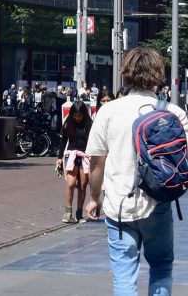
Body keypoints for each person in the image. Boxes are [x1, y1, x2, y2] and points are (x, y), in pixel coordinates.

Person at [85, 46, 188, 295]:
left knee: (124, 274)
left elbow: (96, 162)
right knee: (162, 267)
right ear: (158, 74)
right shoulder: (174, 113)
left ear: (126, 74)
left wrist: (94, 198)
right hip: (158, 202)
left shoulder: (108, 111)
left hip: (118, 204)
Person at [56, 99, 93, 223]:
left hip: (85, 156)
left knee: (82, 185)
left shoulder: (89, 124)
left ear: (84, 114)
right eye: (75, 116)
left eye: (80, 116)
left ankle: (79, 213)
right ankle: (68, 211)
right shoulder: (68, 123)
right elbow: (63, 141)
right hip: (72, 155)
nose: (77, 118)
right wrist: (59, 158)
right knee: (71, 184)